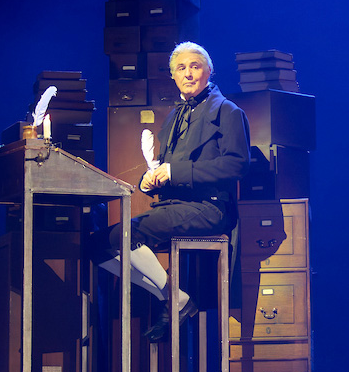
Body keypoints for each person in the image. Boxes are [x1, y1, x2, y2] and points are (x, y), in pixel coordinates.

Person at [95, 41, 251, 340]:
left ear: (209, 71)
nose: (189, 73)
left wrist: (175, 172)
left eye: (195, 66)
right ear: (173, 76)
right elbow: (163, 167)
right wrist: (147, 180)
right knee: (98, 244)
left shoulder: (229, 112)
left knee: (124, 237)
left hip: (209, 208)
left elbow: (237, 166)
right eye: (182, 68)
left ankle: (174, 300)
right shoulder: (173, 117)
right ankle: (173, 297)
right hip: (173, 206)